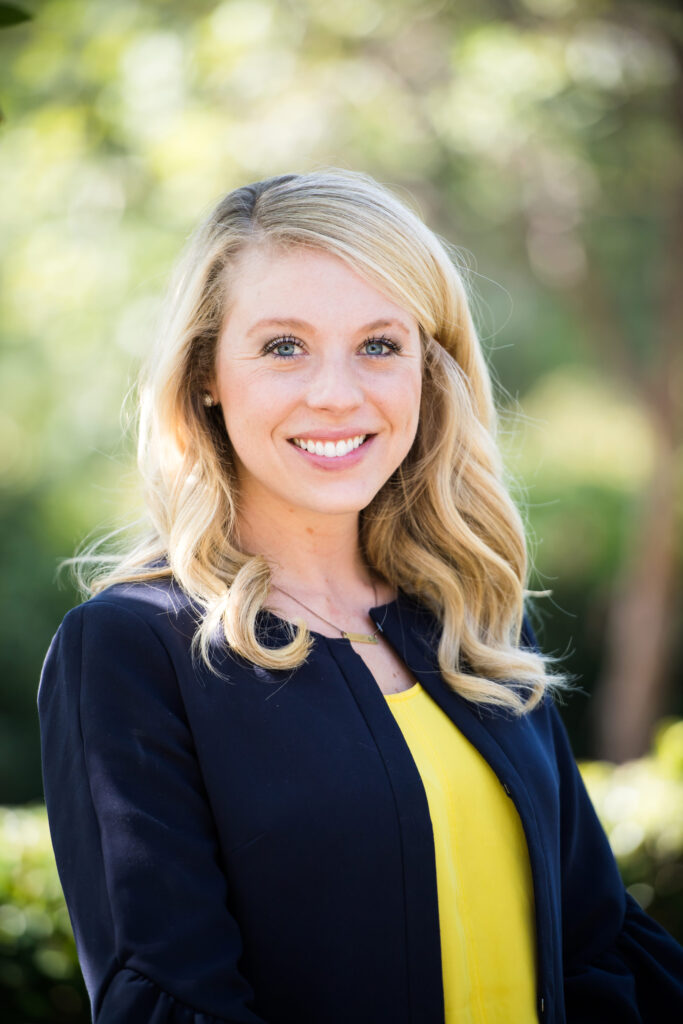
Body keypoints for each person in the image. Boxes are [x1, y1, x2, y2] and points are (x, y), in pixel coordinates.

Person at [38, 168, 683, 1024]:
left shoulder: (473, 621)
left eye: (380, 345)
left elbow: (599, 946)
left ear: (429, 370)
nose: (337, 393)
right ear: (204, 376)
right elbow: (168, 999)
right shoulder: (130, 649)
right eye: (282, 346)